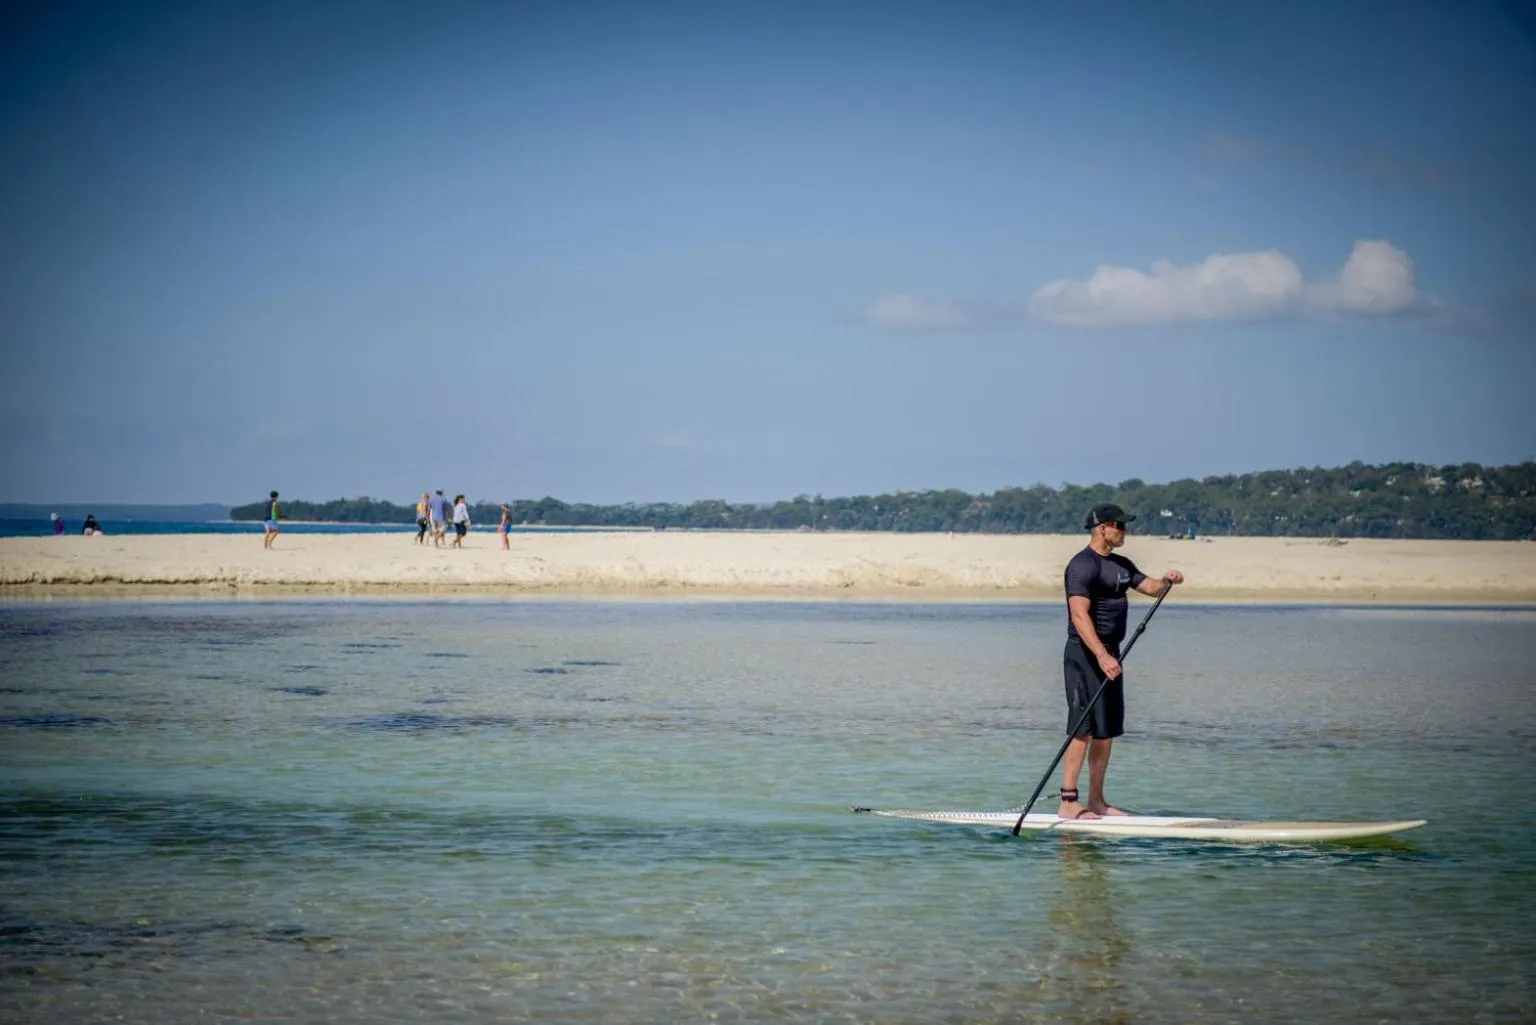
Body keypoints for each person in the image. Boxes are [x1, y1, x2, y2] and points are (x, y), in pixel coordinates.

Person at [1057, 503, 1183, 821]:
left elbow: (1151, 588)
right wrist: (1100, 655)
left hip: (1111, 655)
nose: (1125, 531)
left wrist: (1166, 580)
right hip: (1085, 655)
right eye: (1120, 526)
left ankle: (1097, 801)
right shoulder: (1082, 566)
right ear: (1103, 528)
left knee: (1105, 731)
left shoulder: (1121, 564)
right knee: (1082, 729)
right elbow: (1079, 615)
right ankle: (1068, 802)